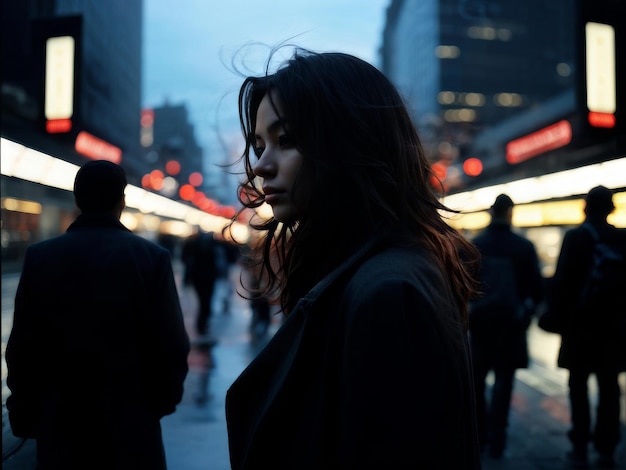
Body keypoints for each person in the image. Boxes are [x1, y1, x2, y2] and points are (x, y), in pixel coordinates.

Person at [224, 48, 483, 469]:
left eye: (286, 140)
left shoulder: (387, 291)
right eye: (259, 145)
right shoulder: (368, 271)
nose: (262, 166)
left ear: (352, 140)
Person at [5, 160, 190, 470]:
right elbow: (171, 343)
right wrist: (158, 404)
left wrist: (24, 413)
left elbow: (23, 346)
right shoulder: (152, 258)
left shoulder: (40, 257)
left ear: (78, 200)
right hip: (132, 423)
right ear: (122, 200)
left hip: (61, 421)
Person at [547, 185, 626, 469]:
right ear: (611, 208)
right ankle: (607, 448)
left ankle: (579, 445)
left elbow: (562, 284)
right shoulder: (621, 238)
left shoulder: (575, 237)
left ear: (585, 207)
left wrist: (555, 318)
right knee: (609, 388)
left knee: (578, 387)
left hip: (579, 328)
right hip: (613, 330)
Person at [468, 193, 545, 459]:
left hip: (481, 325)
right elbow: (536, 288)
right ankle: (498, 438)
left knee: (477, 383)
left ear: (491, 212)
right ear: (510, 213)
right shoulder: (522, 246)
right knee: (504, 382)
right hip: (510, 325)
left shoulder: (476, 245)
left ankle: (480, 434)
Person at [181, 227, 219, 339]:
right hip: (209, 277)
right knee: (206, 300)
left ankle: (201, 323)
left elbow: (185, 259)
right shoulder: (213, 247)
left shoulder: (193, 245)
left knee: (202, 300)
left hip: (198, 277)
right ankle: (203, 322)